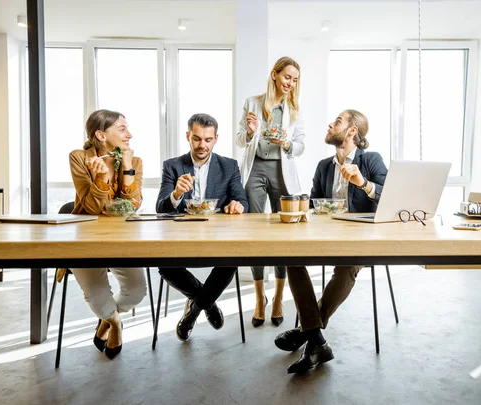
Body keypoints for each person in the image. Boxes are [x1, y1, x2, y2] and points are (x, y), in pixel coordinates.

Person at [274, 110, 388, 373]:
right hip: (326, 235)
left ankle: (308, 331)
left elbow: (388, 197)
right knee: (291, 258)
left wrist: (363, 183)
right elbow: (314, 205)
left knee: (348, 266)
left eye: (337, 121)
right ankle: (315, 338)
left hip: (360, 238)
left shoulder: (371, 160)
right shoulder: (324, 166)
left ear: (351, 131)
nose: (330, 124)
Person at [157, 113, 248, 341]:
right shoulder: (173, 166)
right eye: (197, 139)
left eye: (208, 140)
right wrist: (176, 193)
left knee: (230, 262)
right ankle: (207, 303)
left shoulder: (229, 166)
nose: (202, 145)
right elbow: (161, 208)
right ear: (188, 136)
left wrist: (238, 205)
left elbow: (242, 200)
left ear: (216, 138)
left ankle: (193, 311)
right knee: (165, 266)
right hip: (181, 236)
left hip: (218, 236)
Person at [69, 109, 147, 360]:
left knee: (136, 292)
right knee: (98, 296)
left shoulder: (134, 161)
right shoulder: (80, 158)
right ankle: (114, 323)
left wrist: (126, 169)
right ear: (101, 135)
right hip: (84, 239)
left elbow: (134, 205)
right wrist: (102, 180)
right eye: (122, 129)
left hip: (121, 238)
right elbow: (90, 208)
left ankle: (106, 321)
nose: (129, 135)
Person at [235, 56, 305, 327]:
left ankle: (277, 297)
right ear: (275, 75)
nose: (290, 83)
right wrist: (251, 132)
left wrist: (287, 142)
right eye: (287, 77)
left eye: (295, 79)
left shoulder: (295, 108)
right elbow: (240, 140)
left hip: (281, 171)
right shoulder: (252, 103)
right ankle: (258, 298)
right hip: (255, 170)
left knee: (283, 233)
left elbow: (300, 146)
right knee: (254, 232)